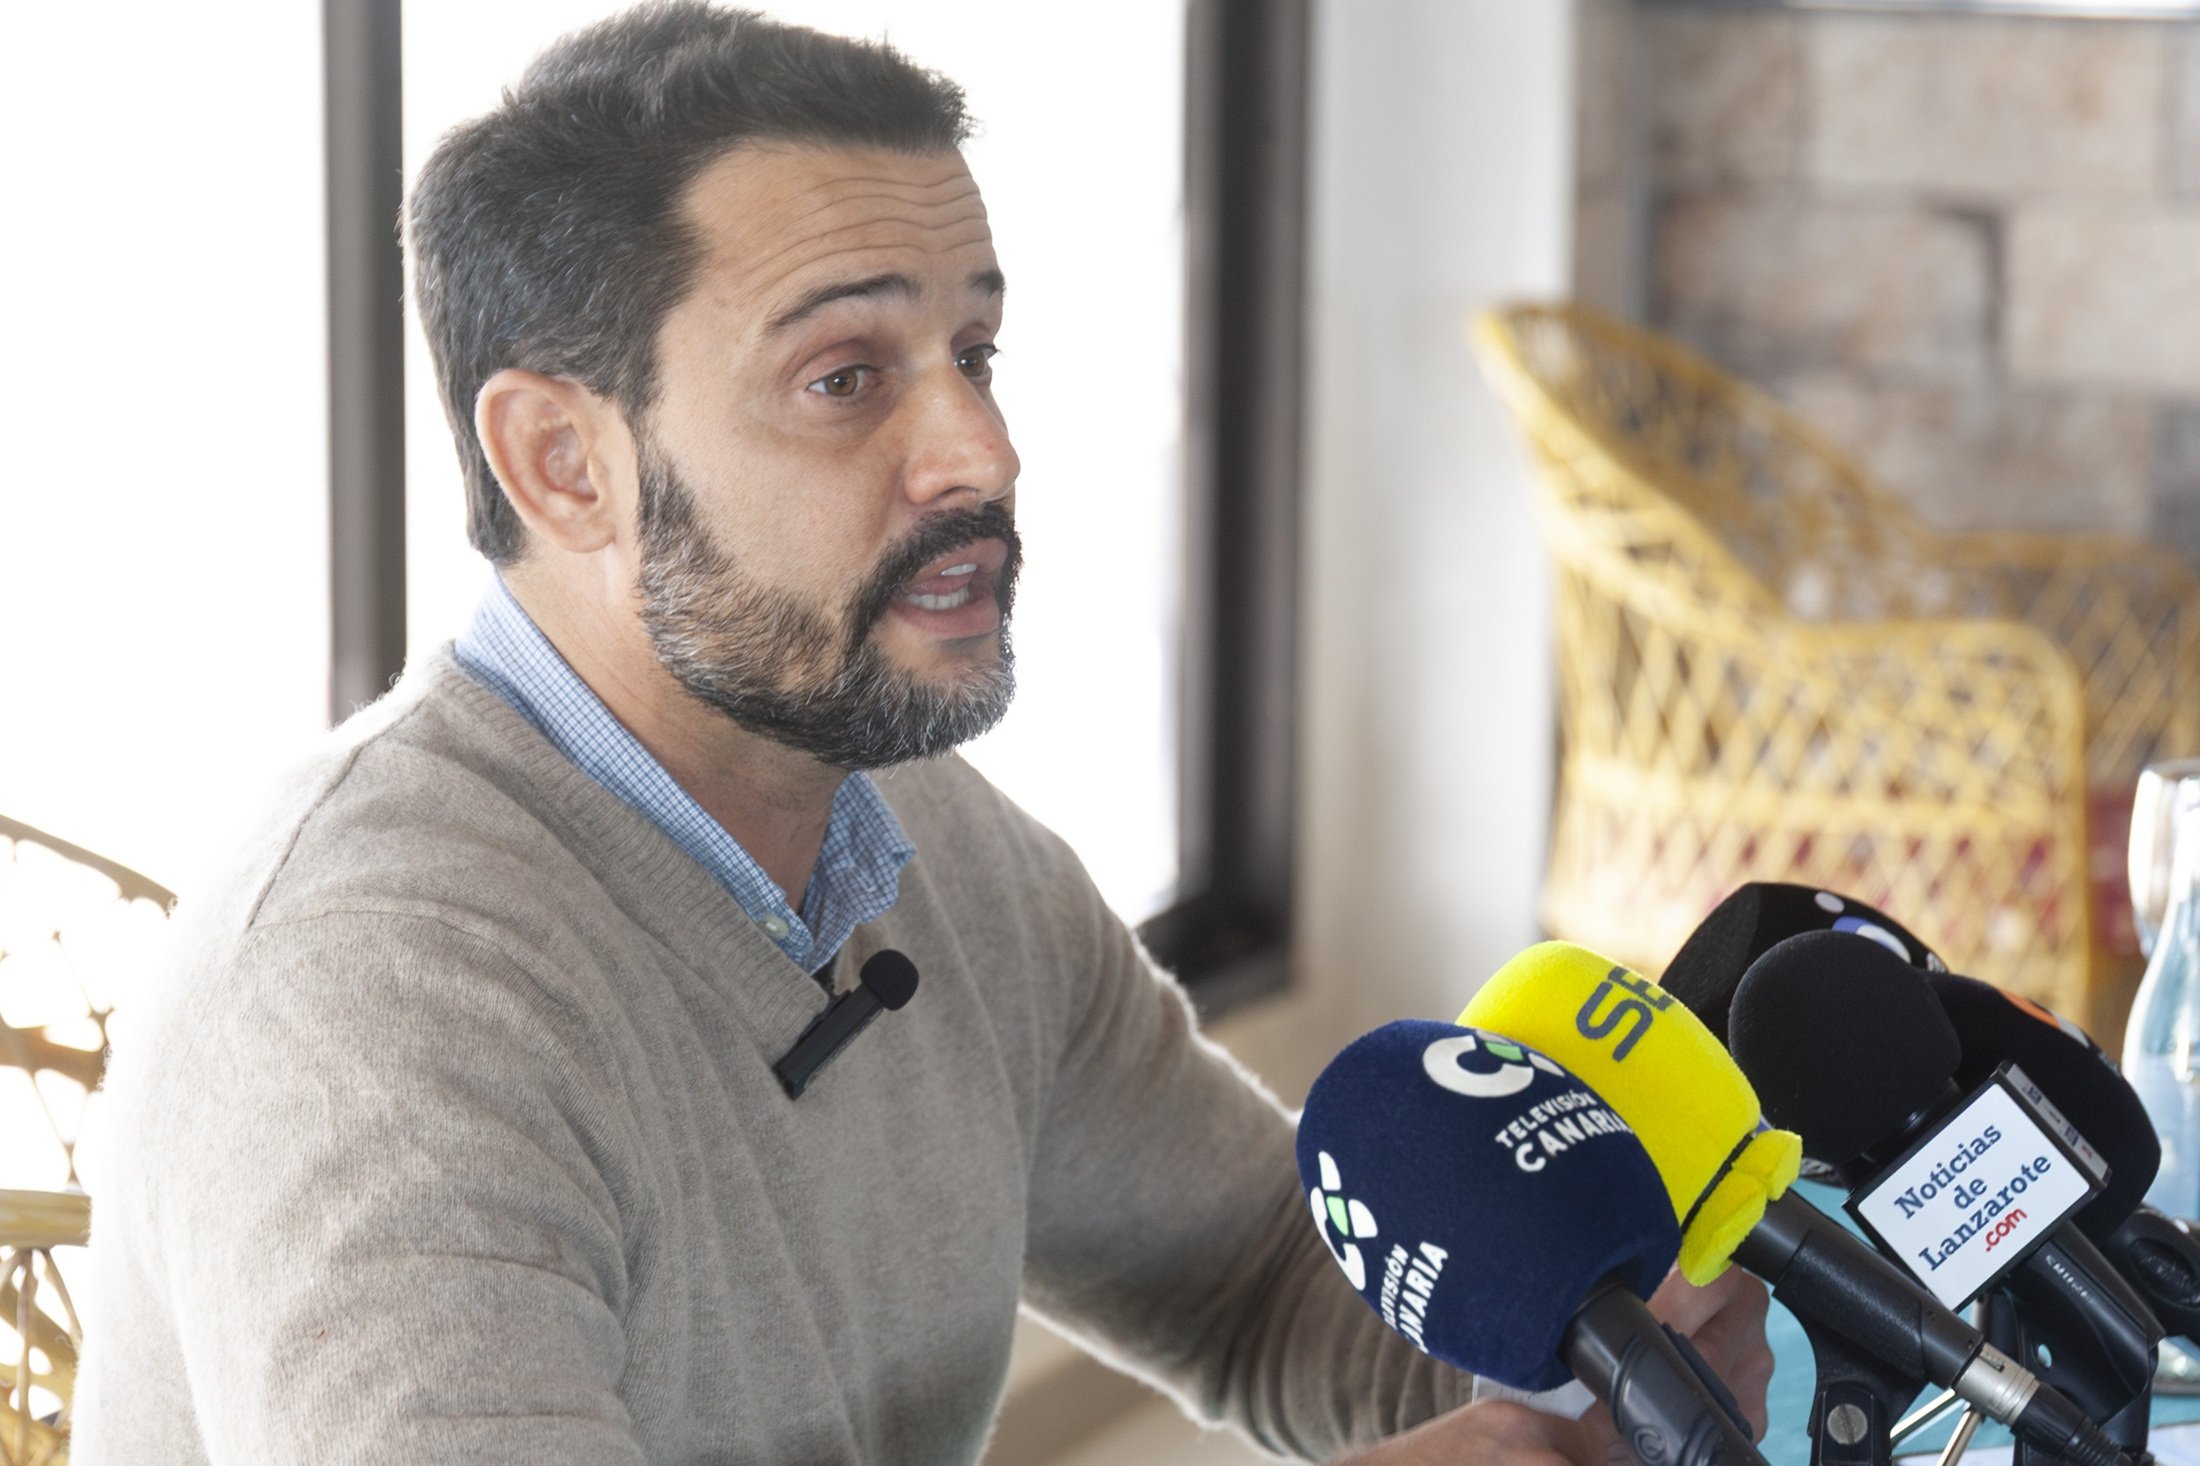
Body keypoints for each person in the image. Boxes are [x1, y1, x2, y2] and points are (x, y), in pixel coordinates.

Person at [74, 5, 1770, 1462]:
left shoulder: (917, 838)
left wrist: (1602, 1373)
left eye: (973, 348)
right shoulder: (364, 1009)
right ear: (561, 464)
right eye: (844, 377)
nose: (982, 449)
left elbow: (1266, 1274)